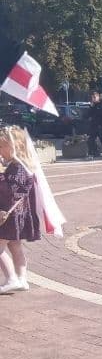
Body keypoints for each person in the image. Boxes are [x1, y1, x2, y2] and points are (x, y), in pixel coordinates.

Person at [0, 125, 42, 293]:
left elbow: (10, 190)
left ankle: (11, 278)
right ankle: (22, 279)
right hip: (17, 214)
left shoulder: (17, 168)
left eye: (1, 146)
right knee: (15, 245)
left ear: (13, 147)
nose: (0, 150)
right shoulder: (22, 166)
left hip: (9, 214)